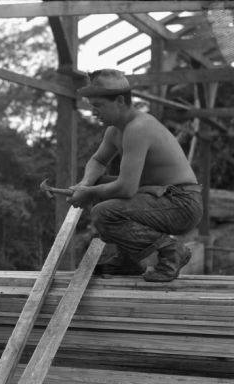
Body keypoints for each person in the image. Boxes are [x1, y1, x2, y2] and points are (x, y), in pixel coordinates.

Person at [67, 69, 203, 282]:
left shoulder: (138, 128)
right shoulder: (114, 131)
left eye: (97, 106)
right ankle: (129, 259)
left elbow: (126, 188)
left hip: (182, 203)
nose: (94, 112)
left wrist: (88, 193)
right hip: (160, 196)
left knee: (103, 213)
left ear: (120, 101)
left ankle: (172, 251)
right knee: (98, 184)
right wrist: (85, 184)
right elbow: (98, 161)